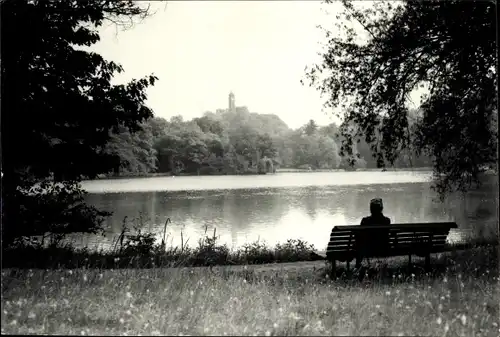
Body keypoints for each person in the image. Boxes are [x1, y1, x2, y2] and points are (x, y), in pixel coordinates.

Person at [356, 198, 391, 268]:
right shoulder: (387, 221)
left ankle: (358, 266)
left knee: (359, 242)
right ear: (381, 208)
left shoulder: (365, 221)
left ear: (371, 209)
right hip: (383, 247)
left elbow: (359, 235)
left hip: (368, 248)